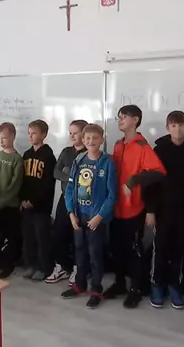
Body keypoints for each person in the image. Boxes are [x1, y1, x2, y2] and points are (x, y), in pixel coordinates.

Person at [104, 105, 166, 309]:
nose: (120, 120)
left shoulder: (142, 146)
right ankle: (119, 283)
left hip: (134, 208)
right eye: (118, 117)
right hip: (116, 207)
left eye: (124, 117)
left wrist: (134, 181)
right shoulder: (118, 145)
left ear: (135, 120)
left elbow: (158, 173)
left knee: (134, 251)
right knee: (117, 248)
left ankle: (136, 289)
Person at [148, 110, 184, 309]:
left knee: (178, 249)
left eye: (181, 125)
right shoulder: (158, 151)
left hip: (183, 210)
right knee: (161, 249)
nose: (177, 129)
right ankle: (157, 284)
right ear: (168, 128)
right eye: (173, 125)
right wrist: (150, 210)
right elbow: (151, 183)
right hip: (162, 209)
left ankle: (174, 284)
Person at [61, 124, 117, 308]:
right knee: (79, 251)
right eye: (87, 138)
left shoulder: (107, 163)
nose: (91, 141)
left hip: (95, 219)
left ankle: (96, 289)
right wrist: (71, 212)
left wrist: (100, 216)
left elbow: (111, 195)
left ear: (102, 139)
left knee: (95, 254)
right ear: (83, 140)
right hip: (79, 216)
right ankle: (79, 284)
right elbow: (70, 188)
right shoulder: (79, 160)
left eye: (95, 138)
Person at [46, 119, 88, 284]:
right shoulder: (66, 152)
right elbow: (56, 172)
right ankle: (62, 266)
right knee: (60, 232)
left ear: (83, 134)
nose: (71, 136)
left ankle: (79, 268)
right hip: (65, 198)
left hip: (82, 201)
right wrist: (71, 178)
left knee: (78, 235)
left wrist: (69, 173)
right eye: (70, 133)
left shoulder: (88, 152)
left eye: (75, 133)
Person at [0, 122, 24, 279]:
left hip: (9, 206)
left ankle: (9, 264)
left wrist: (0, 203)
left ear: (13, 137)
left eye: (5, 138)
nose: (1, 141)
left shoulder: (17, 159)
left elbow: (15, 186)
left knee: (12, 236)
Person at [21, 119, 56, 281]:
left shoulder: (48, 156)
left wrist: (34, 201)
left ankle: (44, 268)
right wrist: (23, 199)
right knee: (28, 237)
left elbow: (48, 184)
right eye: (29, 133)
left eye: (34, 133)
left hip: (41, 206)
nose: (30, 136)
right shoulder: (26, 155)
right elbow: (22, 180)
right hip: (26, 205)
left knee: (42, 238)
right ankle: (31, 265)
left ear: (43, 135)